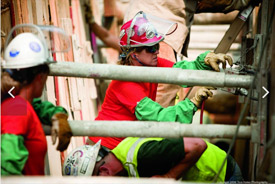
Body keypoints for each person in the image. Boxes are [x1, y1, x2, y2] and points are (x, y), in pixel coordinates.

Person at [87, 11, 233, 150]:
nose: (156, 51)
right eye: (150, 48)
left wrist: (206, 60)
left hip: (123, 147)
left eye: (156, 46)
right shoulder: (125, 83)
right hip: (104, 149)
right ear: (133, 54)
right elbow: (160, 117)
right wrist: (192, 104)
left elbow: (183, 70)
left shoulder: (153, 63)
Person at [1, 27, 72, 175]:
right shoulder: (17, 108)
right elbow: (7, 168)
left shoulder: (16, 103)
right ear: (40, 76)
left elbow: (37, 107)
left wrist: (58, 114)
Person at [63, 137, 243, 182]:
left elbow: (197, 145)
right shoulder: (123, 164)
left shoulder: (143, 155)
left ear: (103, 170)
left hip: (222, 174)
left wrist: (167, 179)